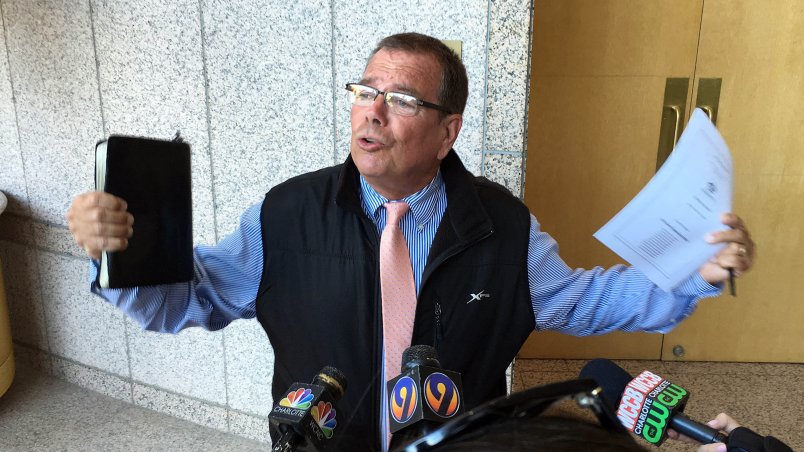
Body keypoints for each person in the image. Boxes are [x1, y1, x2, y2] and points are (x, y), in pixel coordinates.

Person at [65, 33, 755, 450]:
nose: (372, 111)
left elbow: (584, 301)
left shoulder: (502, 225)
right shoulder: (285, 213)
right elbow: (185, 302)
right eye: (364, 90)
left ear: (447, 131)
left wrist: (693, 271)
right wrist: (115, 256)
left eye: (400, 99)